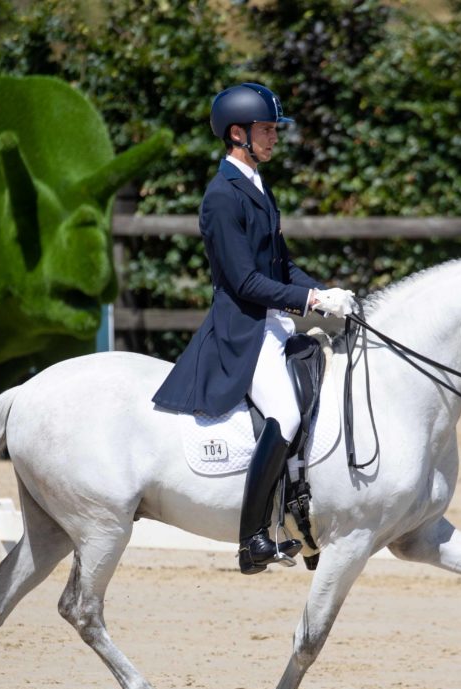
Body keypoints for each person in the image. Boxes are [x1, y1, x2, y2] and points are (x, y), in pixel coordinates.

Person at [152, 82, 359, 575]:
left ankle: (301, 516)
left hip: (274, 322)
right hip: (243, 329)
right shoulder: (222, 196)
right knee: (285, 415)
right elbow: (245, 280)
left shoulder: (258, 188)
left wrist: (327, 294)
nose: (275, 137)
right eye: (267, 130)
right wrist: (311, 300)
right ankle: (251, 540)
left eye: (273, 130)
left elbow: (281, 269)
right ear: (238, 134)